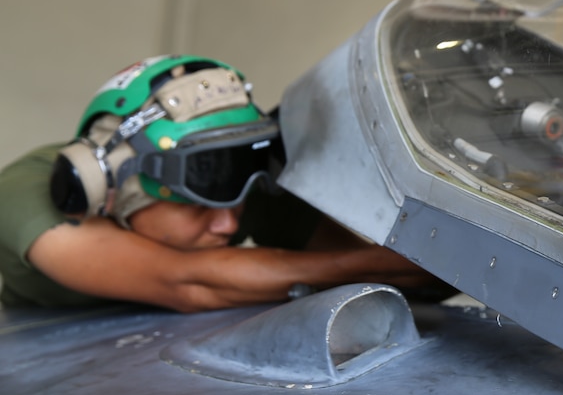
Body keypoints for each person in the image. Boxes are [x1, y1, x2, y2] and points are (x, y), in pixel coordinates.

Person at [0, 54, 450, 312]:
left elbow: (366, 264)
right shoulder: (25, 191)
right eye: (197, 206)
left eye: (237, 203)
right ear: (105, 186)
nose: (227, 225)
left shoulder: (231, 184)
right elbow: (187, 283)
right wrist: (383, 264)